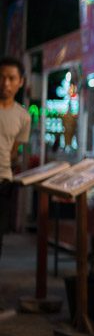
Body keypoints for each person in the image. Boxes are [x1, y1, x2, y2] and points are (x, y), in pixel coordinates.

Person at [0, 57, 29, 260]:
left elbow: (14, 151)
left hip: (3, 182)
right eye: (1, 78)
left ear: (21, 81)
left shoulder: (23, 117)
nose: (6, 83)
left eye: (11, 78)